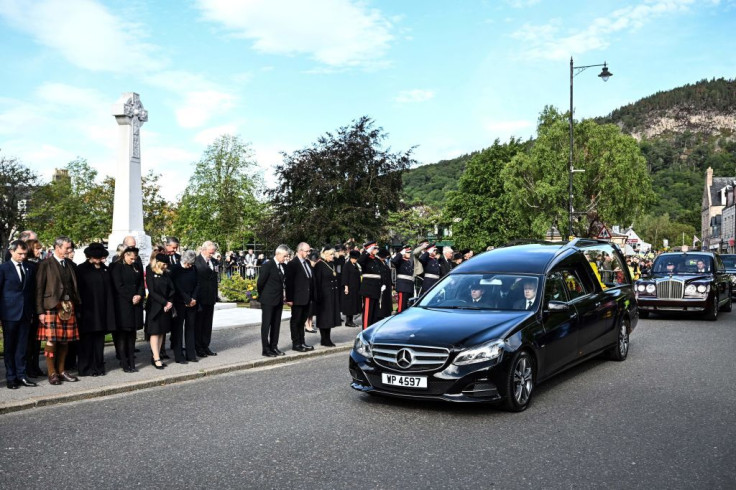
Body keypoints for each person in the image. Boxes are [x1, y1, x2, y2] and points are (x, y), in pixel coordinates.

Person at [35, 236, 80, 385]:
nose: (70, 250)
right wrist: (40, 311)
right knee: (51, 341)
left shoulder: (70, 264)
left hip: (68, 306)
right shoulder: (45, 264)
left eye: (70, 248)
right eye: (67, 248)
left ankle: (61, 371)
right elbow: (39, 289)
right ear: (57, 247)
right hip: (51, 306)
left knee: (65, 341)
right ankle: (51, 372)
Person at [75, 243, 116, 377]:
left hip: (102, 309)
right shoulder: (82, 269)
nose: (99, 260)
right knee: (87, 341)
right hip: (88, 310)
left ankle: (98, 366)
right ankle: (86, 367)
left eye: (100, 257)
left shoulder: (105, 269)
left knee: (99, 340)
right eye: (96, 257)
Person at [1, 240, 37, 389]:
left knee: (22, 347)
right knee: (10, 346)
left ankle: (21, 375)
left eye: (24, 254)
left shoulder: (29, 268)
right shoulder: (3, 269)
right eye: (19, 253)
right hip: (9, 313)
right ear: (11, 251)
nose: (22, 256)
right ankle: (11, 377)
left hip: (26, 313)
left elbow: (31, 291)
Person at [110, 246, 144, 373]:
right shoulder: (117, 266)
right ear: (125, 255)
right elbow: (118, 286)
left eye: (135, 258)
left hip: (136, 304)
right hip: (123, 304)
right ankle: (124, 361)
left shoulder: (136, 266)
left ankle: (132, 361)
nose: (133, 260)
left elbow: (141, 282)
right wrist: (131, 297)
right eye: (131, 258)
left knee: (132, 334)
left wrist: (140, 295)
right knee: (122, 335)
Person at [257, 245, 289, 357]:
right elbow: (260, 283)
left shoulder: (283, 266)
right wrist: (264, 295)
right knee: (266, 325)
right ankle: (265, 349)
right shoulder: (268, 265)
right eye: (284, 256)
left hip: (279, 299)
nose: (285, 258)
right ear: (278, 254)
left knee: (276, 325)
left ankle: (274, 347)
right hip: (268, 300)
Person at [146, 254, 175, 370]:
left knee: (162, 332)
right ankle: (156, 358)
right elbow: (152, 291)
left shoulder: (166, 273)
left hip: (166, 307)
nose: (165, 266)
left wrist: (170, 302)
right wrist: (165, 303)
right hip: (155, 307)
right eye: (163, 264)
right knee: (155, 332)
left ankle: (156, 355)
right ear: (158, 262)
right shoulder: (150, 271)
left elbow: (172, 289)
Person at [170, 250, 199, 363]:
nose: (189, 266)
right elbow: (176, 286)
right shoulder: (175, 269)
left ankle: (191, 354)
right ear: (183, 260)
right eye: (188, 264)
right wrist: (186, 299)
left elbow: (197, 284)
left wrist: (194, 298)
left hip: (192, 302)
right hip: (179, 302)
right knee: (178, 329)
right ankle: (179, 356)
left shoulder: (194, 268)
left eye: (191, 264)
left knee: (190, 328)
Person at [285, 242, 315, 352]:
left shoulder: (307, 262)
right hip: (297, 298)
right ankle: (296, 343)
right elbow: (289, 283)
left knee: (302, 321)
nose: (308, 253)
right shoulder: (292, 264)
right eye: (307, 251)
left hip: (307, 297)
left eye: (309, 251)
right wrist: (289, 299)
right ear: (300, 251)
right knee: (296, 321)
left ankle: (302, 342)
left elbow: (310, 279)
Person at [23, 238, 44, 378]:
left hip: (38, 307)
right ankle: (28, 367)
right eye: (37, 248)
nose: (40, 250)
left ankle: (35, 366)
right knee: (28, 341)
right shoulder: (28, 265)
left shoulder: (40, 264)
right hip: (29, 307)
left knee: (36, 341)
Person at [194, 241, 218, 358]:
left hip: (210, 297)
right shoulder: (196, 261)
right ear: (203, 250)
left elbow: (215, 280)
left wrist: (216, 295)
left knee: (208, 324)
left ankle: (206, 345)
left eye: (213, 253)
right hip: (200, 297)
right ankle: (198, 347)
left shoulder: (214, 262)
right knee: (199, 324)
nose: (211, 255)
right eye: (210, 253)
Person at [313, 246, 341, 347]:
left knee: (329, 318)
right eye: (330, 254)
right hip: (323, 295)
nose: (332, 256)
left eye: (333, 254)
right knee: (324, 318)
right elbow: (317, 282)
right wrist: (318, 296)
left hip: (331, 295)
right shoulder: (319, 265)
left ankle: (327, 338)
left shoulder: (332, 264)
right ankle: (324, 339)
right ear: (324, 254)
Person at [358, 241, 383, 329]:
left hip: (376, 289)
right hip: (368, 289)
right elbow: (360, 261)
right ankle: (365, 330)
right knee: (368, 312)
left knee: (374, 313)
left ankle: (371, 330)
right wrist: (367, 251)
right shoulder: (366, 259)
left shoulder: (376, 260)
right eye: (374, 248)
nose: (376, 250)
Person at [340, 249, 361, 327]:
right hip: (349, 288)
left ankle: (351, 320)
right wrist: (346, 287)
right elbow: (345, 277)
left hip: (355, 288)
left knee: (353, 305)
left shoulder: (355, 265)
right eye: (355, 258)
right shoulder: (347, 265)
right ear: (352, 258)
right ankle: (348, 321)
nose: (356, 260)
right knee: (349, 305)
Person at [392, 245, 415, 313]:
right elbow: (394, 261)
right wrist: (400, 253)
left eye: (409, 252)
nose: (409, 254)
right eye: (407, 252)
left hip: (409, 287)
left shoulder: (408, 262)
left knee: (408, 307)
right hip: (403, 287)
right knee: (401, 307)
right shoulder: (400, 261)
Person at [376, 248, 393, 321]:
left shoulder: (385, 263)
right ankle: (380, 315)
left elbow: (388, 273)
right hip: (381, 284)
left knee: (386, 300)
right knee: (381, 301)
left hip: (387, 284)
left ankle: (386, 314)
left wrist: (391, 283)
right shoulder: (378, 262)